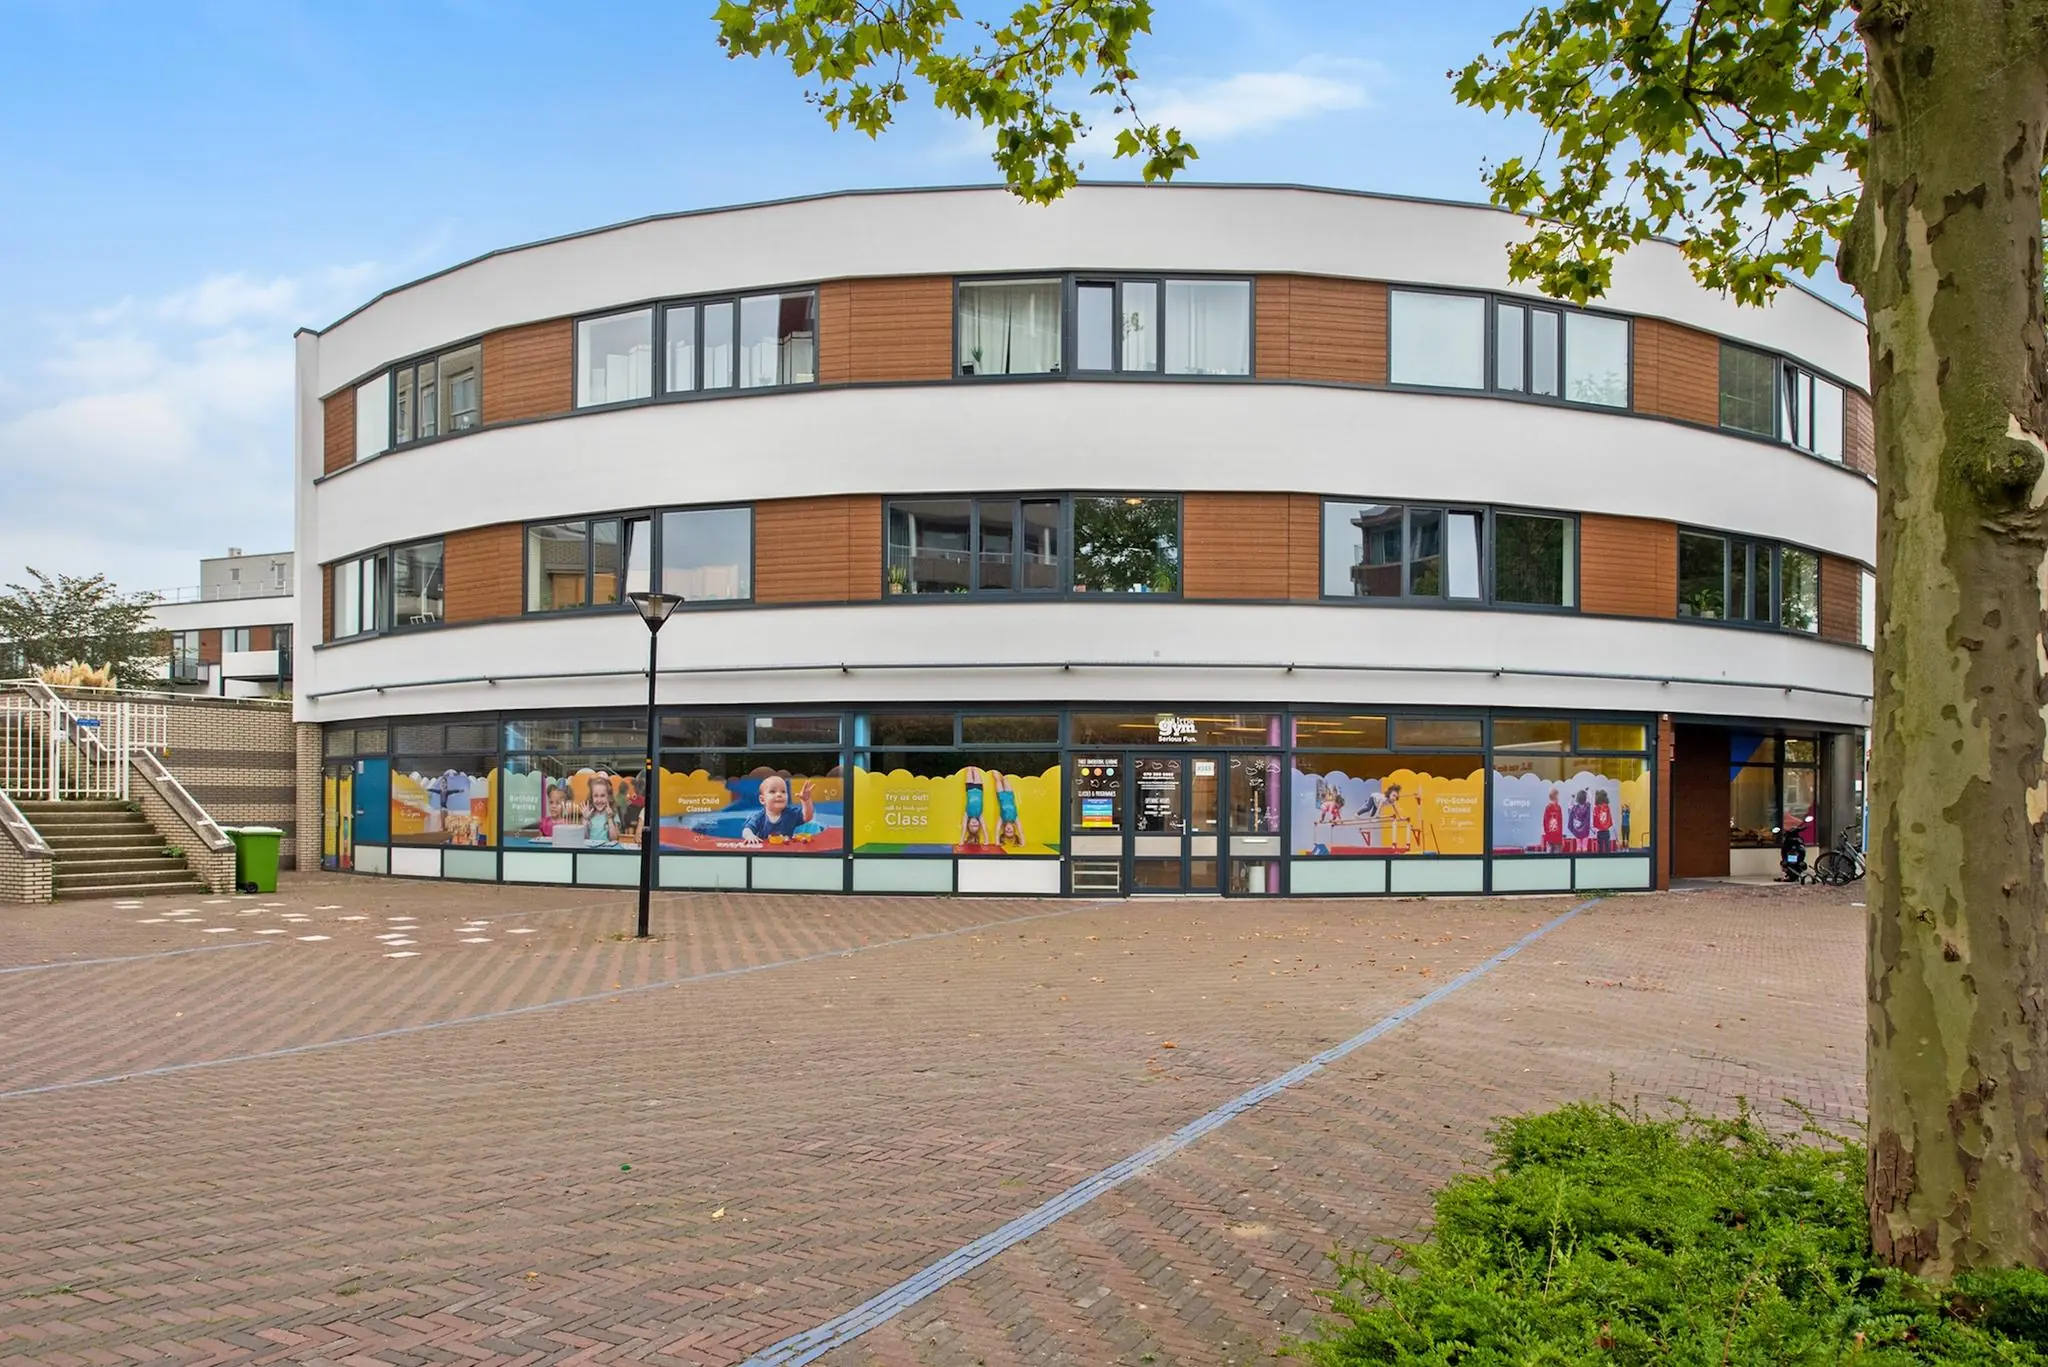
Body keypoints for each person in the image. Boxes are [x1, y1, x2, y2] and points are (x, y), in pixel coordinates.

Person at [741, 772, 815, 845]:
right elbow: (747, 830)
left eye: (783, 791)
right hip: (766, 853)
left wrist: (806, 801)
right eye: (772, 791)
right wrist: (750, 836)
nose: (779, 794)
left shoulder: (790, 814)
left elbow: (807, 817)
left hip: (785, 851)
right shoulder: (759, 818)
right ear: (762, 800)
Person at [584, 772, 623, 846]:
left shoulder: (613, 814)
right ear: (591, 798)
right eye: (596, 796)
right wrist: (586, 819)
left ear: (609, 797)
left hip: (606, 852)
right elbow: (584, 837)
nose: (599, 800)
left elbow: (614, 838)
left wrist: (610, 819)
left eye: (602, 795)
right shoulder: (589, 814)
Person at [961, 766, 991, 846]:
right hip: (979, 788)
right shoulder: (980, 815)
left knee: (969, 768)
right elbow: (984, 828)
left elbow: (963, 828)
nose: (974, 823)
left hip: (969, 788)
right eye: (976, 825)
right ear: (979, 823)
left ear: (968, 824)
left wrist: (962, 840)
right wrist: (986, 840)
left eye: (972, 825)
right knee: (976, 769)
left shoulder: (967, 814)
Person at [994, 772, 1026, 848]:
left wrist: (997, 843)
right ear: (1014, 829)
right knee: (1005, 778)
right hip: (1010, 795)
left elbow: (997, 830)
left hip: (1001, 795)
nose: (1008, 829)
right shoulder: (1015, 818)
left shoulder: (1002, 819)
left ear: (1004, 829)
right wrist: (1023, 843)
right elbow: (1021, 831)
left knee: (997, 778)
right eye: (1010, 831)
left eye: (1007, 831)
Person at [1542, 788, 1565, 854]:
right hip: (1555, 838)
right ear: (1556, 796)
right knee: (1555, 856)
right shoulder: (1555, 808)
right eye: (1558, 796)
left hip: (1552, 837)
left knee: (1550, 856)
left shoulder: (1552, 807)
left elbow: (1545, 823)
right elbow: (1560, 824)